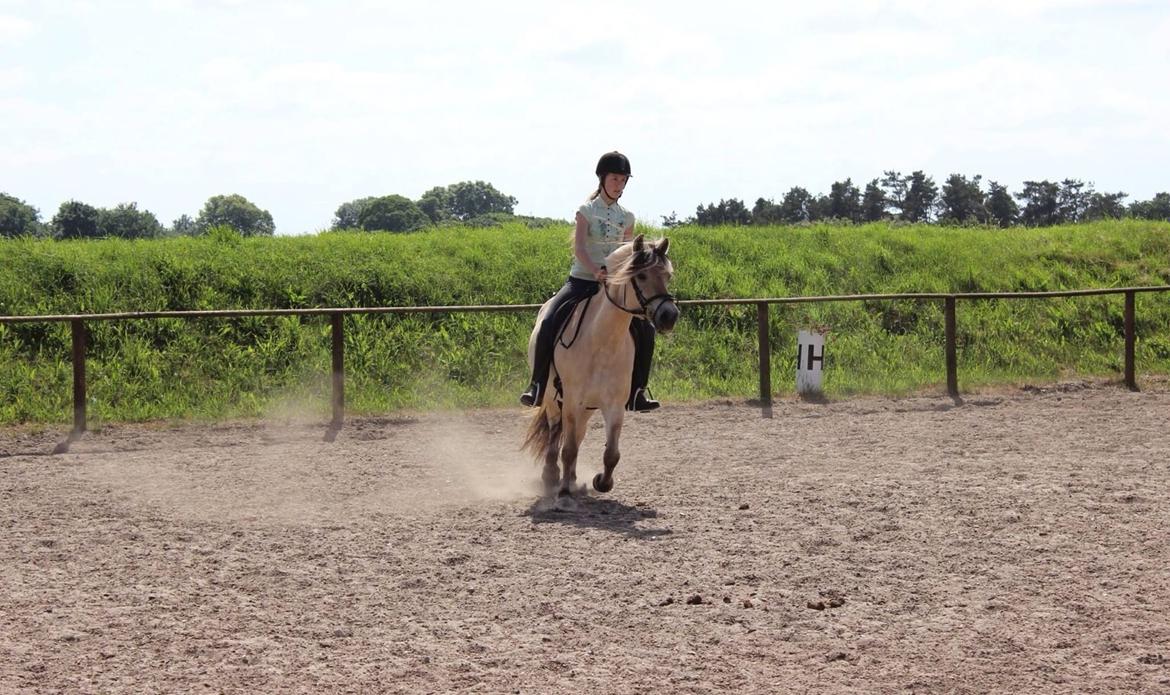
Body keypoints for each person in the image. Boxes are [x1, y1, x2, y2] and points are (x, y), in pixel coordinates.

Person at [520, 151, 660, 412]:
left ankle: (638, 391)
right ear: (602, 179)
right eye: (615, 179)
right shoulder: (586, 211)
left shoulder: (626, 217)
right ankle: (537, 385)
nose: (619, 185)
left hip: (612, 287)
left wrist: (618, 277)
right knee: (549, 320)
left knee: (646, 329)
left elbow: (627, 252)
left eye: (623, 180)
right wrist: (596, 270)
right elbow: (580, 248)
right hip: (582, 281)